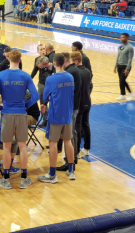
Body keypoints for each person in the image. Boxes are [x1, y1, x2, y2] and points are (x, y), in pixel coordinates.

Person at [0, 50, 39, 189]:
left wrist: (0, 108)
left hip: (7, 114)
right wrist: (25, 105)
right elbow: (35, 96)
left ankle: (6, 179)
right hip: (21, 114)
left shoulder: (0, 75)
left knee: (6, 146)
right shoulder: (25, 76)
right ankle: (24, 179)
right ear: (20, 59)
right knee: (23, 146)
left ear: (8, 59)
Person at [38, 54, 76, 184]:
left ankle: (52, 174)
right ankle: (71, 170)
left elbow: (46, 96)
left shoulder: (50, 79)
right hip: (68, 115)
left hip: (55, 116)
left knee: (53, 143)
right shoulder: (70, 77)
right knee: (68, 141)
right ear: (64, 63)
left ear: (54, 63)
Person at [56, 52, 81, 170]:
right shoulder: (75, 70)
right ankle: (74, 156)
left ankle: (69, 162)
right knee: (73, 132)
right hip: (75, 105)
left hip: (70, 107)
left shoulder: (70, 73)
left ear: (65, 61)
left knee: (68, 135)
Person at [71, 52, 92, 157]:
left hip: (79, 103)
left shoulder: (76, 72)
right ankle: (86, 149)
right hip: (87, 101)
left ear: (76, 61)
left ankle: (77, 151)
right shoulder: (88, 71)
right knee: (86, 124)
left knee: (77, 126)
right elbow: (90, 86)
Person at [31, 45, 54, 128]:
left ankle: (52, 119)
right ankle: (44, 120)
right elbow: (34, 70)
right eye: (41, 49)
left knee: (52, 102)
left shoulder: (50, 59)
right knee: (42, 102)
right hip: (41, 83)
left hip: (50, 84)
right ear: (38, 51)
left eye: (44, 49)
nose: (43, 51)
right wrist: (29, 80)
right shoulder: (37, 60)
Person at [114, 33, 134, 101]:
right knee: (120, 81)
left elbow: (130, 59)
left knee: (122, 80)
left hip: (125, 66)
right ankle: (123, 95)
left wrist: (127, 68)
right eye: (121, 37)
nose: (121, 38)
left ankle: (131, 93)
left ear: (127, 38)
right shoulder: (120, 47)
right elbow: (118, 56)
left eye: (123, 37)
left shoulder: (130, 47)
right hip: (119, 65)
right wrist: (115, 66)